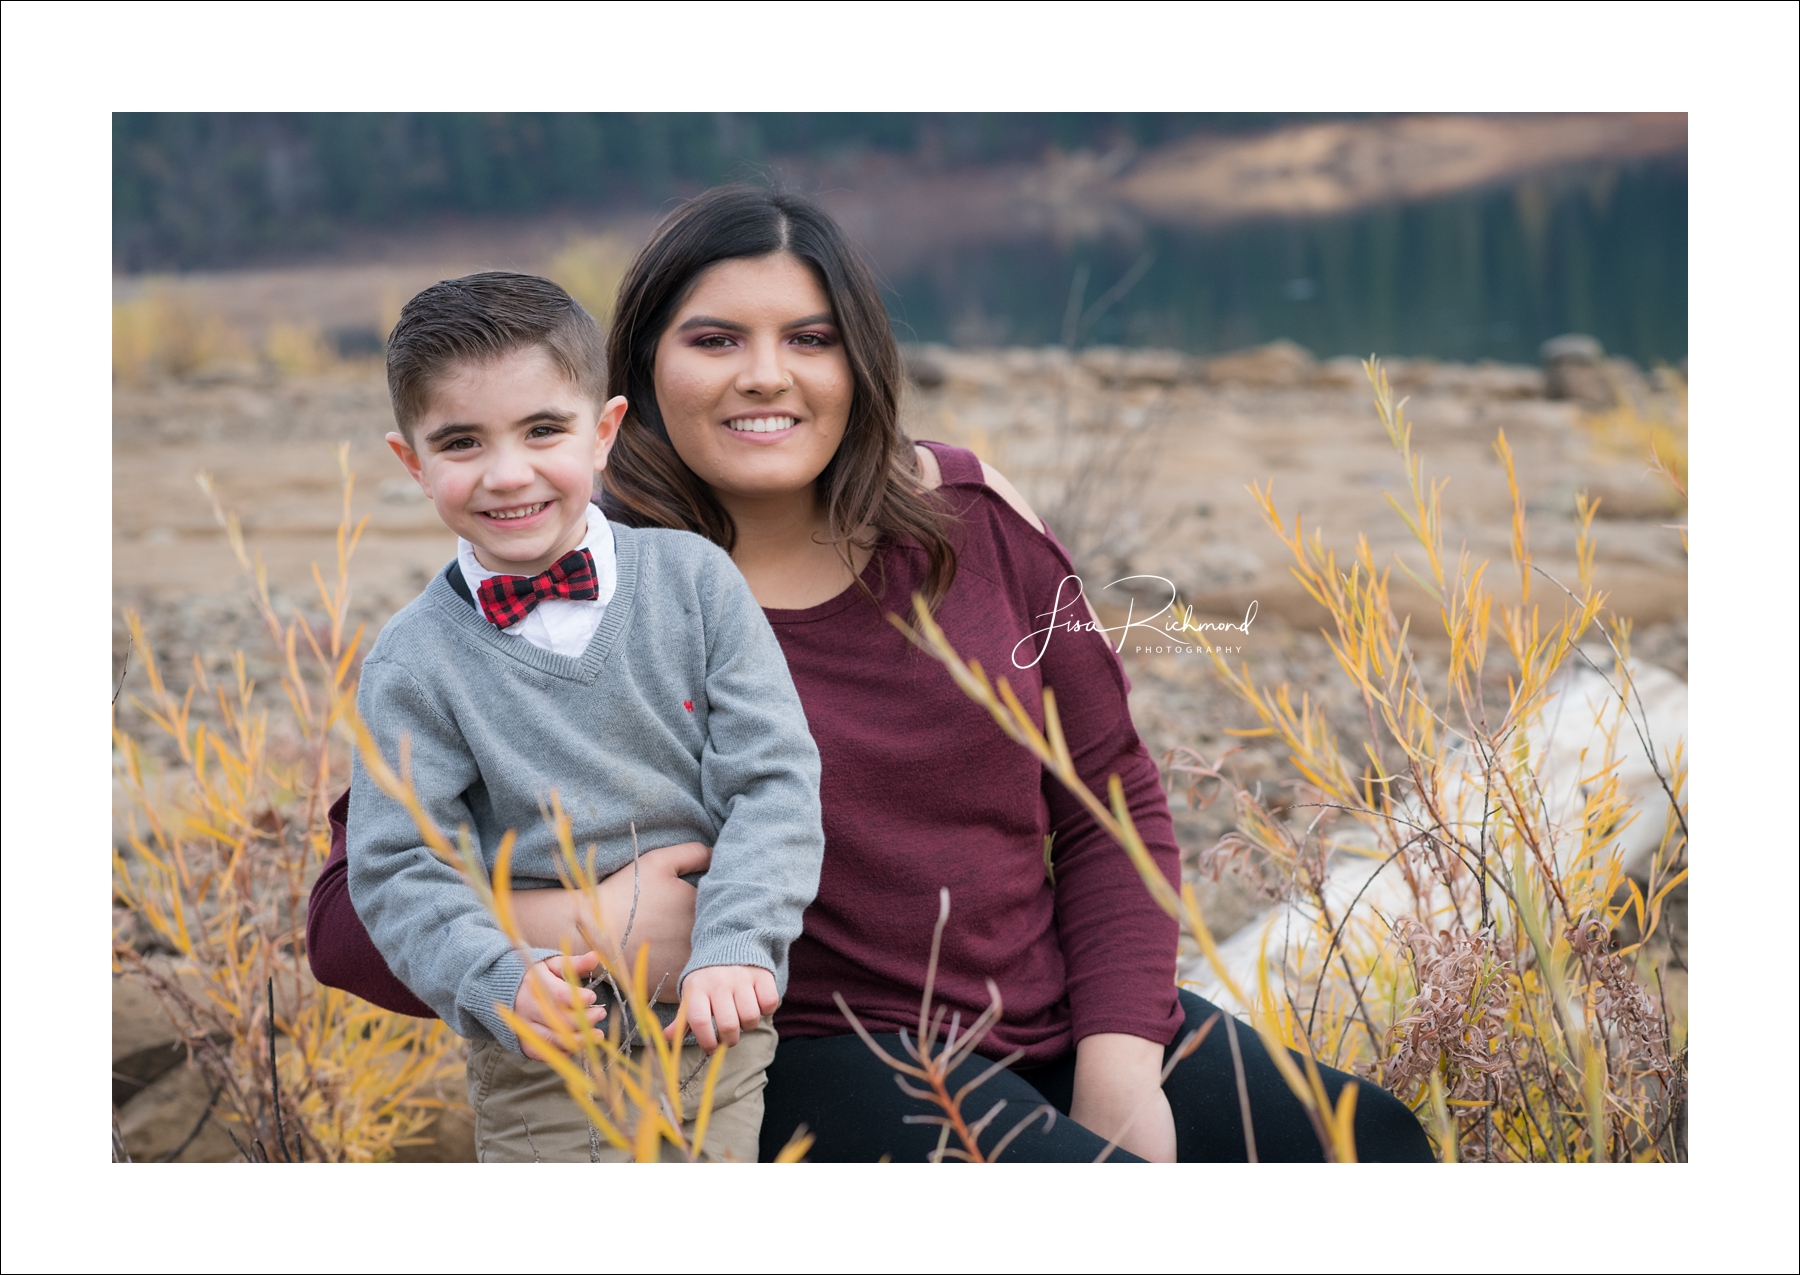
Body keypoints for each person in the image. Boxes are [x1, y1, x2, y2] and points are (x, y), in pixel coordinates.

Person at [310, 185, 1434, 1163]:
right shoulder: (577, 588)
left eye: (809, 338)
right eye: (713, 341)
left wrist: (1122, 1067)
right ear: (638, 374)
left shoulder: (972, 519)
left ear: (861, 356)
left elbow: (1109, 801)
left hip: (1050, 1018)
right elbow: (346, 915)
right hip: (815, 1056)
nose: (766, 378)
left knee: (1373, 1148)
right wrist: (586, 927)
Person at [345, 271, 825, 1162]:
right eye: (460, 441)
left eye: (542, 430)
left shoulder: (694, 583)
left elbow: (775, 780)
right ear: (412, 462)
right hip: (541, 1048)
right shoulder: (414, 661)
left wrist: (739, 942)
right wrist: (497, 979)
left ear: (602, 432)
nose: (508, 473)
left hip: (712, 1018)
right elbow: (397, 863)